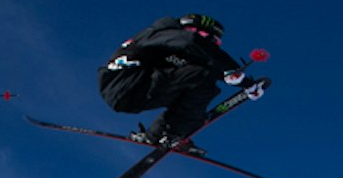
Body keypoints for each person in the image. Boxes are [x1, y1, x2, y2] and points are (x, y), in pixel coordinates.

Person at [98, 13, 243, 148]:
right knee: (202, 76)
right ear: (193, 30)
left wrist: (243, 82)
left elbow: (206, 62)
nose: (210, 44)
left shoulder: (171, 47)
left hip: (131, 91)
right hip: (128, 84)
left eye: (215, 43)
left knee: (199, 78)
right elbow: (192, 43)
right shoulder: (164, 33)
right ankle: (171, 132)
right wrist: (231, 70)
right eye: (209, 39)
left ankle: (160, 134)